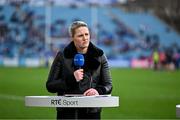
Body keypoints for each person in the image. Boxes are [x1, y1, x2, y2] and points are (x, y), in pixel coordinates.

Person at [46, 21, 113, 119]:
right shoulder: (62, 56)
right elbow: (50, 85)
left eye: (87, 34)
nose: (85, 38)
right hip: (67, 112)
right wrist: (72, 79)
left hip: (91, 112)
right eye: (80, 35)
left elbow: (108, 85)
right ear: (72, 38)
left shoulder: (100, 56)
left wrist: (97, 91)